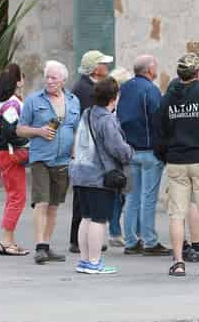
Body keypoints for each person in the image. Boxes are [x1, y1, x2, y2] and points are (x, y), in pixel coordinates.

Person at [154, 53, 199, 277]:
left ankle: (178, 262)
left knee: (176, 215)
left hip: (176, 160)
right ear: (197, 72)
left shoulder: (169, 94)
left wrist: (165, 154)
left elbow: (159, 126)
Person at [17, 60, 80, 265]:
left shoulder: (73, 101)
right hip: (41, 158)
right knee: (42, 202)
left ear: (63, 79)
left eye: (53, 77)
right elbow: (20, 129)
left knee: (54, 205)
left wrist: (75, 154)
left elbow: (75, 130)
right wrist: (39, 131)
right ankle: (40, 246)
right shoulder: (34, 100)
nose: (49, 81)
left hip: (63, 160)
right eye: (47, 77)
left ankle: (47, 244)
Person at [70, 77, 134, 274]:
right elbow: (118, 149)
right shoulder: (106, 120)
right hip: (99, 176)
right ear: (113, 98)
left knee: (86, 217)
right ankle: (95, 262)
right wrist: (130, 152)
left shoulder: (87, 114)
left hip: (80, 172)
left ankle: (84, 260)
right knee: (99, 220)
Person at [117, 55, 171, 256]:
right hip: (149, 151)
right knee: (148, 198)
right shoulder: (151, 90)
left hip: (130, 150)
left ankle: (131, 240)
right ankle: (149, 240)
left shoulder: (125, 88)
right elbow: (159, 120)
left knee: (132, 197)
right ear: (149, 70)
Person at [69, 50, 113, 253]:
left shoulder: (87, 86)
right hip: (88, 152)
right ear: (96, 68)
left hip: (86, 150)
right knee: (84, 202)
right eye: (104, 63)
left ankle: (81, 241)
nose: (108, 66)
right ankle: (79, 242)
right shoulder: (85, 89)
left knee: (83, 199)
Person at [0, 63, 29, 256]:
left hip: (1, 152)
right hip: (10, 152)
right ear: (18, 80)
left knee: (12, 196)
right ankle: (6, 240)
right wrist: (26, 141)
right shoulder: (12, 103)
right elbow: (10, 131)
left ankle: (8, 240)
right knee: (17, 197)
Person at [108, 67, 134, 247]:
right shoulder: (118, 105)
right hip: (118, 154)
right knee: (120, 194)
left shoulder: (116, 103)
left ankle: (116, 230)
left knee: (120, 195)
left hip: (116, 153)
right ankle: (115, 232)